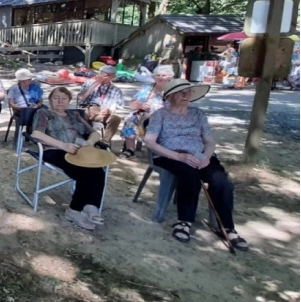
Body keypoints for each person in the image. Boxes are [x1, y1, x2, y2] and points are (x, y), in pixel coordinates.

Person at [143, 79, 248, 250]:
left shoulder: (198, 114)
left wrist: (206, 157)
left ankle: (227, 227)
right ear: (169, 96)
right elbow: (150, 142)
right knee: (190, 176)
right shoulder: (160, 115)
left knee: (221, 181)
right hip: (170, 155)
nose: (186, 95)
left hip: (200, 155)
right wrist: (178, 156)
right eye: (180, 92)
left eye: (188, 92)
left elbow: (209, 141)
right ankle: (184, 221)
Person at [30, 87, 106, 231]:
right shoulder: (43, 113)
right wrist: (63, 145)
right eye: (56, 98)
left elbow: (94, 133)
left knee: (98, 169)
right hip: (54, 150)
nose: (60, 101)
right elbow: (37, 134)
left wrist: (89, 143)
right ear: (50, 100)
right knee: (84, 171)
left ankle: (90, 205)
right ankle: (74, 210)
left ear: (69, 101)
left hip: (78, 150)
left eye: (64, 98)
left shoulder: (75, 115)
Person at [119, 65, 174, 159]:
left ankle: (159, 151)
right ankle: (130, 149)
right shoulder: (146, 88)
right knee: (130, 119)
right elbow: (132, 103)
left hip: (165, 118)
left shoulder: (174, 91)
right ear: (153, 77)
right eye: (158, 75)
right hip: (143, 115)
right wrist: (140, 105)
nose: (160, 77)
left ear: (170, 77)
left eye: (164, 75)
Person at [76, 64, 124, 147]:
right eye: (102, 74)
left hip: (103, 112)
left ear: (113, 77)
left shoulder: (116, 90)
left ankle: (105, 143)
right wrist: (96, 83)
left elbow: (116, 106)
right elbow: (81, 98)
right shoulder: (89, 83)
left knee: (116, 119)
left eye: (107, 76)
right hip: (89, 108)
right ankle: (87, 140)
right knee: (83, 114)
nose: (104, 77)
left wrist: (109, 111)